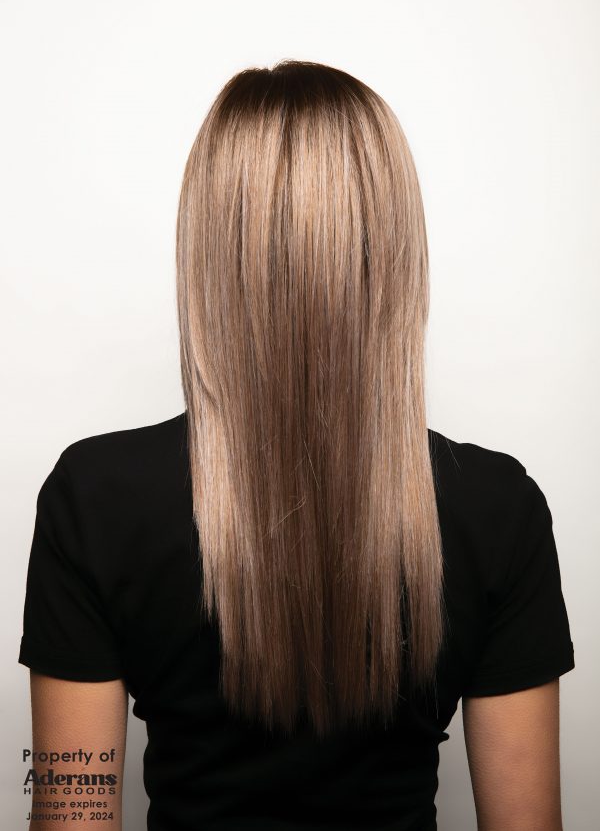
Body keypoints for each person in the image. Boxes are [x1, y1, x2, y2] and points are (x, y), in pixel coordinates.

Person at [18, 59, 575, 831]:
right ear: (395, 249)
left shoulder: (94, 496)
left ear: (208, 246)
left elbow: (70, 814)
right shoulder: (498, 506)